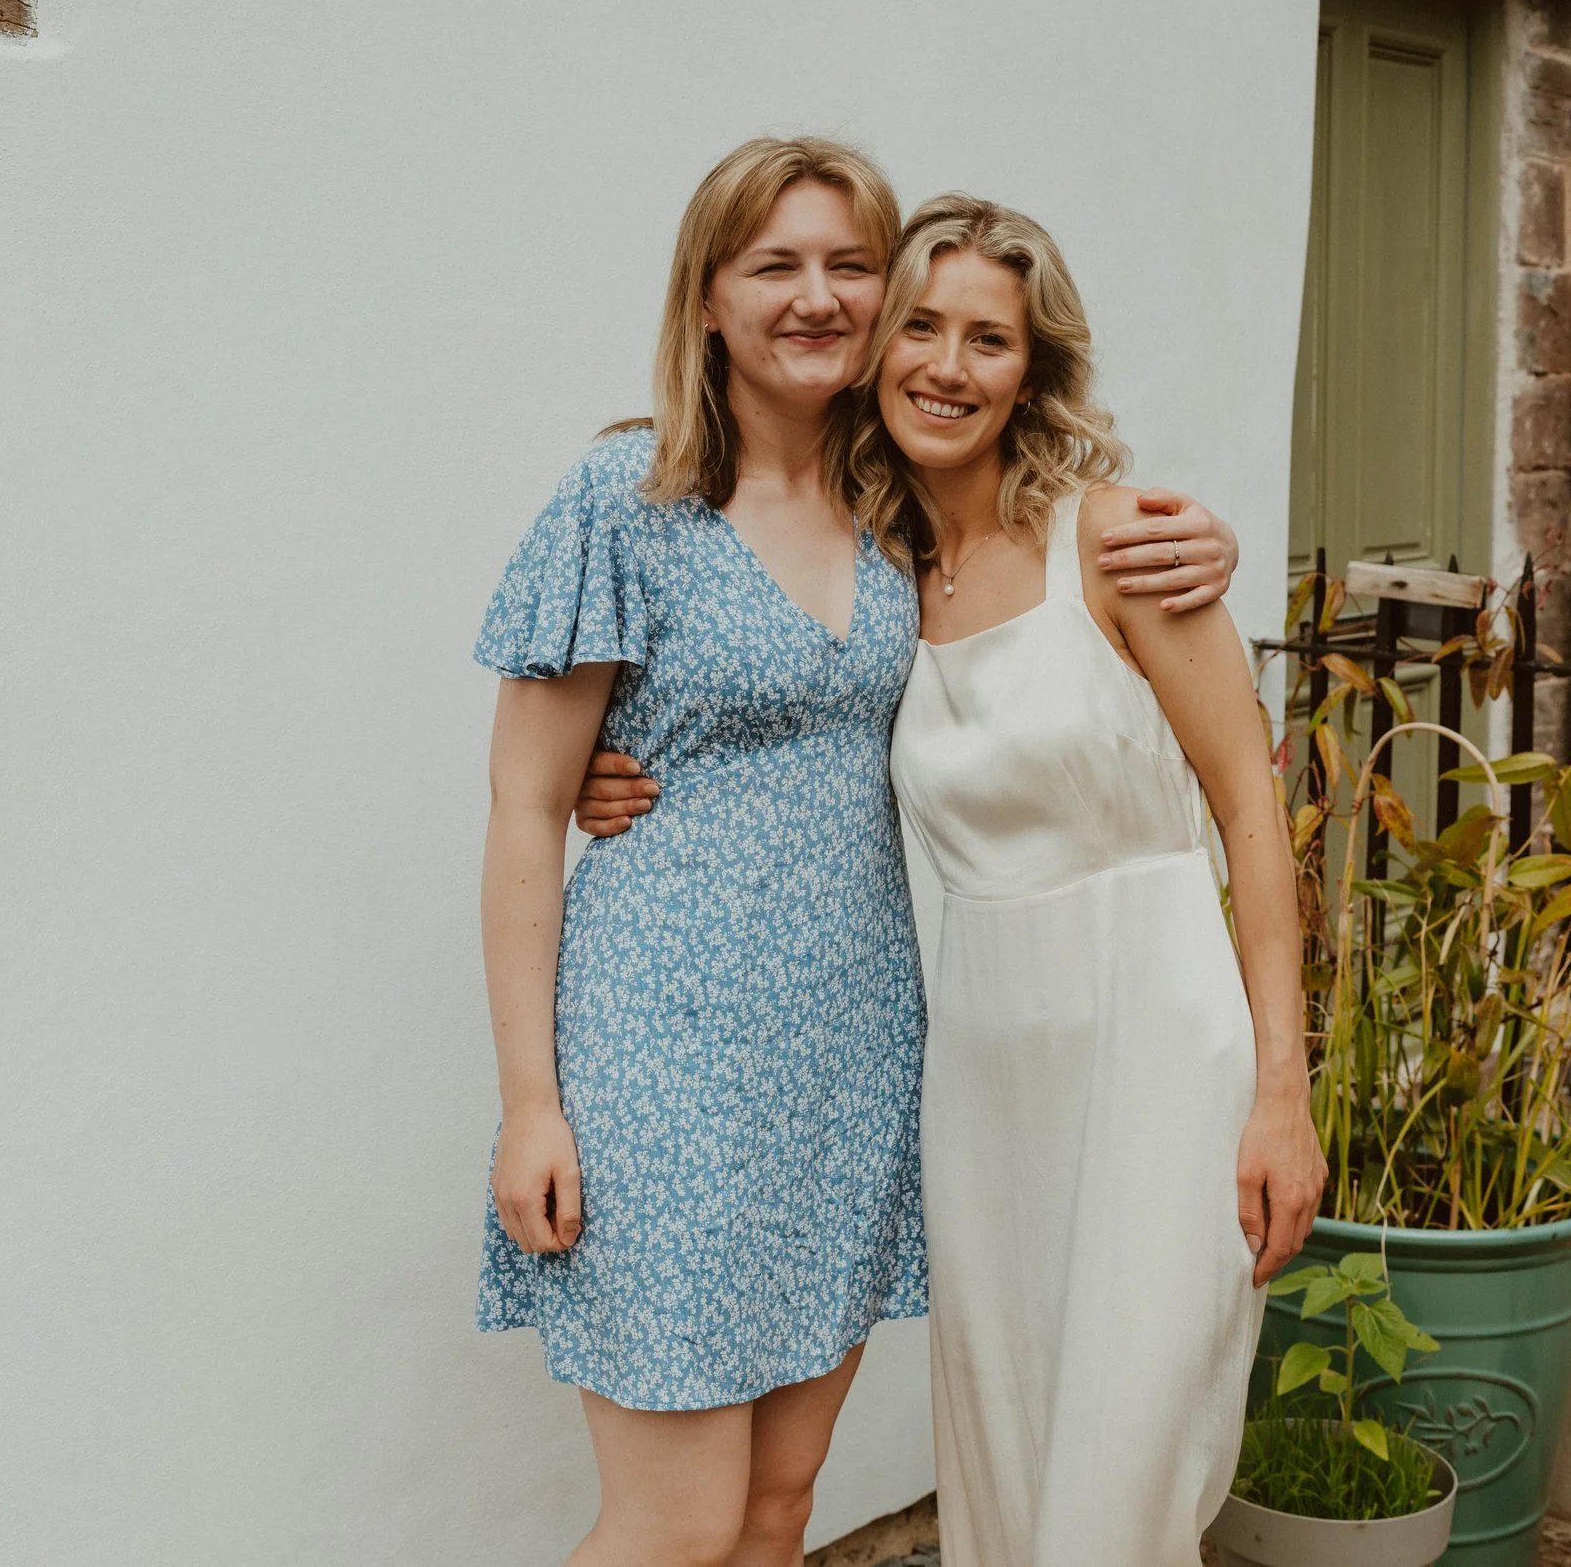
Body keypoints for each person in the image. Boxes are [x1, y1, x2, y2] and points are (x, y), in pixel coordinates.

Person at [476, 137, 1241, 1567]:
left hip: (850, 1058)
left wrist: (1204, 545)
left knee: (777, 1509)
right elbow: (525, 805)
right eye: (775, 264)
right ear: (708, 297)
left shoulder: (901, 502)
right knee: (677, 1521)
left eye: (848, 265)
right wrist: (531, 1101)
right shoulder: (621, 502)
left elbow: (1047, 589)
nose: (816, 296)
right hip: (666, 1055)